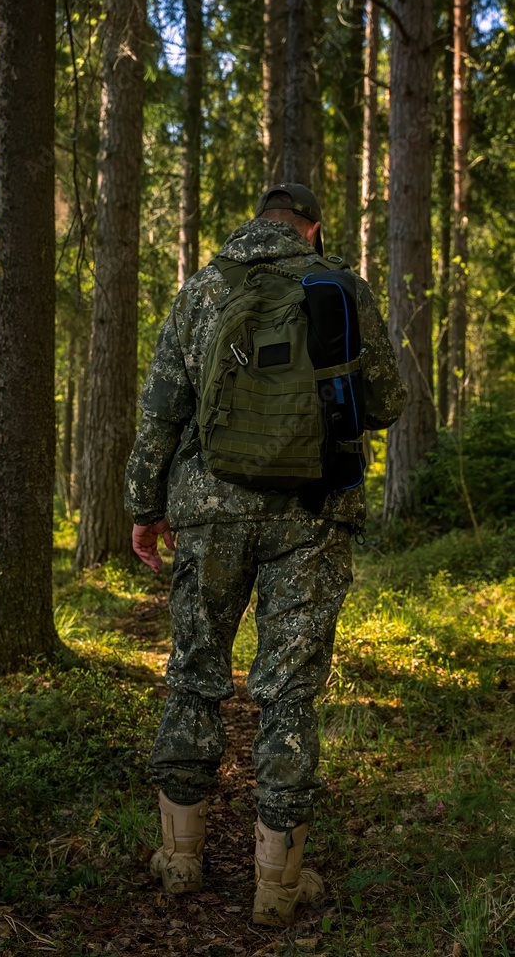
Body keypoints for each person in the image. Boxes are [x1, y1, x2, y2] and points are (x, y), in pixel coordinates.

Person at [124, 183, 406, 927]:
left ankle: (180, 861)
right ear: (311, 229)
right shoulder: (339, 285)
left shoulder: (203, 290)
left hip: (209, 509)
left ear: (256, 223)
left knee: (194, 673)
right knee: (288, 693)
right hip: (312, 516)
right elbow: (386, 402)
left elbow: (161, 410)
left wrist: (143, 509)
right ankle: (277, 887)